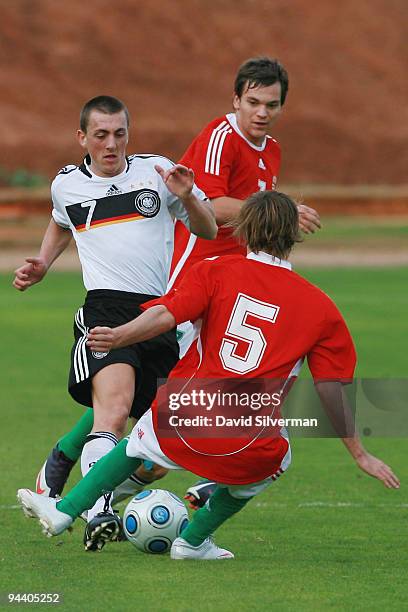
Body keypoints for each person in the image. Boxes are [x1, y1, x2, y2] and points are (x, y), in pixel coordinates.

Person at [17, 191, 399, 560]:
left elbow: (166, 315)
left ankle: (64, 509)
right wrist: (360, 454)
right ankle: (194, 541)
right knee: (278, 458)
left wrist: (120, 335)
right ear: (294, 236)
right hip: (249, 443)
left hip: (183, 421)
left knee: (136, 442)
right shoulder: (321, 307)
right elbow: (332, 391)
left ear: (244, 231)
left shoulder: (214, 271)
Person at [18, 57, 321, 514]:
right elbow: (214, 206)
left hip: (232, 282)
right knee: (147, 395)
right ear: (235, 100)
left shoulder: (269, 150)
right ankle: (83, 476)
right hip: (189, 281)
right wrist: (275, 211)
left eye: (271, 104)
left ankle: (91, 480)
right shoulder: (222, 138)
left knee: (165, 399)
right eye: (253, 102)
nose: (261, 112)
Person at [13, 95, 217, 549]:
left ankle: (87, 488)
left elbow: (206, 229)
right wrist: (43, 263)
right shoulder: (66, 184)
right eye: (101, 135)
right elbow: (62, 221)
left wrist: (187, 197)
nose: (112, 144)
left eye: (120, 133)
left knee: (161, 452)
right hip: (104, 309)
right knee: (114, 413)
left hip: (159, 315)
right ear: (82, 138)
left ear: (129, 132)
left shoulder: (158, 173)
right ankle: (100, 510)